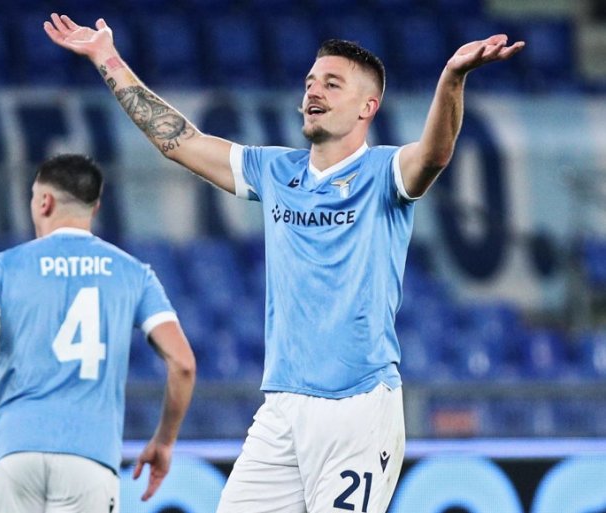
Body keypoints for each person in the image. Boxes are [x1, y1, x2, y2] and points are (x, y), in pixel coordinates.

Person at [45, 14, 523, 513]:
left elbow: (435, 154)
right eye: (311, 81)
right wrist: (108, 58)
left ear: (368, 107)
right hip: (281, 409)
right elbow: (179, 141)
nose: (313, 91)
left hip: (356, 411)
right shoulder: (275, 170)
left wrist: (452, 78)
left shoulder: (383, 172)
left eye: (332, 84)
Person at [0, 154, 196, 512]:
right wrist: (164, 441)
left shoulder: (5, 267)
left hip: (16, 452)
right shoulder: (135, 274)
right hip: (90, 456)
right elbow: (183, 364)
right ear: (94, 207)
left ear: (44, 202)